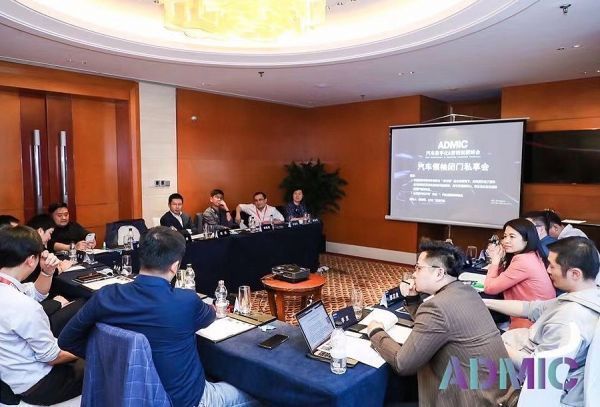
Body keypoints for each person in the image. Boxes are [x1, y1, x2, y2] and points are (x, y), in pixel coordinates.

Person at [58, 227, 258, 407]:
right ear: (175, 266)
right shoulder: (186, 301)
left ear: (141, 257)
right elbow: (211, 314)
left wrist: (112, 360)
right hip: (186, 400)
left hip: (126, 393)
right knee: (261, 392)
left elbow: (67, 339)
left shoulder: (106, 296)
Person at [367, 240, 510, 407]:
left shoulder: (437, 306)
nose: (414, 274)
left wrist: (376, 332)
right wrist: (413, 299)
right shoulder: (466, 291)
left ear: (439, 273)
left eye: (418, 268)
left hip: (471, 399)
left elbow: (402, 364)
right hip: (494, 393)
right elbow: (436, 324)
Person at [485, 237, 600, 407]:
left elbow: (538, 370)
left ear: (575, 274)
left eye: (552, 266)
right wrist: (484, 303)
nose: (547, 270)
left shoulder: (567, 320)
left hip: (528, 382)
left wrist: (494, 343)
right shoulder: (588, 295)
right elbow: (531, 308)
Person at [0, 226, 83, 405]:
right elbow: (51, 357)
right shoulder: (24, 306)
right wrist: (88, 348)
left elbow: (34, 292)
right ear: (31, 260)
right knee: (104, 363)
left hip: (9, 376)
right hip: (37, 384)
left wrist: (46, 271)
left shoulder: (8, 287)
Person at [484, 218, 556, 329]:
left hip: (529, 325)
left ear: (527, 240)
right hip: (538, 320)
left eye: (512, 237)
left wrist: (495, 261)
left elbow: (489, 288)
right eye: (505, 236)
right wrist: (500, 261)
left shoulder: (523, 260)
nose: (506, 241)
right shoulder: (532, 254)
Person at [25, 214, 85, 336]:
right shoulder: (29, 254)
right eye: (50, 233)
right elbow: (28, 310)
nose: (50, 237)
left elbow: (34, 292)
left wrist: (47, 271)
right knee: (84, 303)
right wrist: (56, 303)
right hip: (39, 326)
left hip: (38, 311)